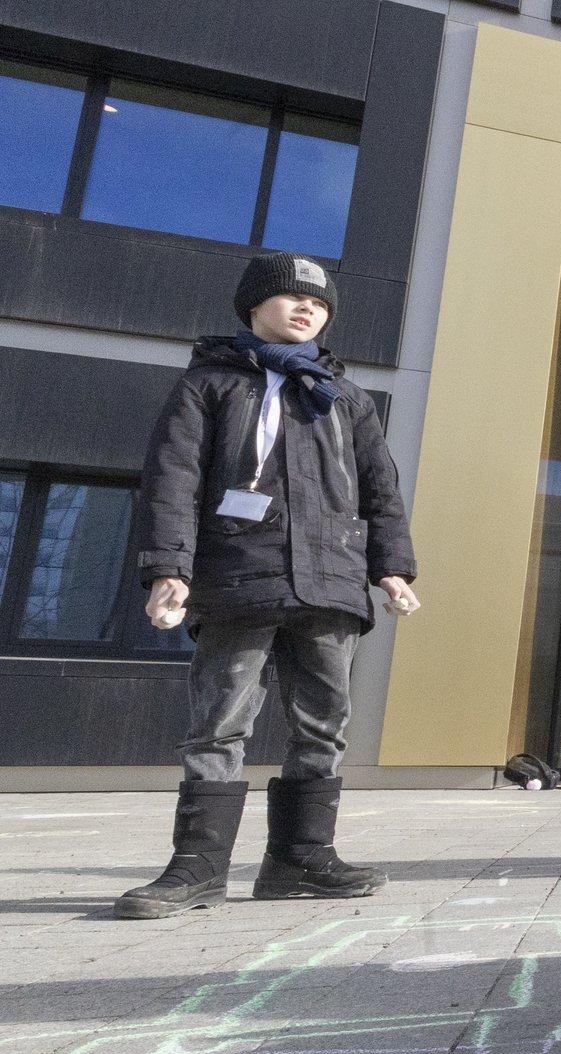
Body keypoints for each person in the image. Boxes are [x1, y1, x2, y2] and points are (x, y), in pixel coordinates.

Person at [117, 253, 419, 919]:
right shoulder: (210, 385)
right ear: (252, 307)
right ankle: (196, 867)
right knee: (221, 719)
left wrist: (392, 567)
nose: (305, 308)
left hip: (332, 583)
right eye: (288, 298)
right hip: (235, 577)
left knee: (324, 723)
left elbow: (381, 490)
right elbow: (173, 479)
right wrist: (170, 568)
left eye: (318, 304)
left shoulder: (348, 399)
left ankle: (301, 858)